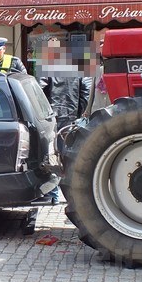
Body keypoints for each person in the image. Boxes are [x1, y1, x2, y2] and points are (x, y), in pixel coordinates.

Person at [34, 76, 91, 205]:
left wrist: (43, 110)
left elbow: (39, 89)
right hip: (70, 114)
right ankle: (73, 192)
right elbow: (86, 92)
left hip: (51, 115)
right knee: (69, 156)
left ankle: (54, 193)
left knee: (51, 155)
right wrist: (78, 112)